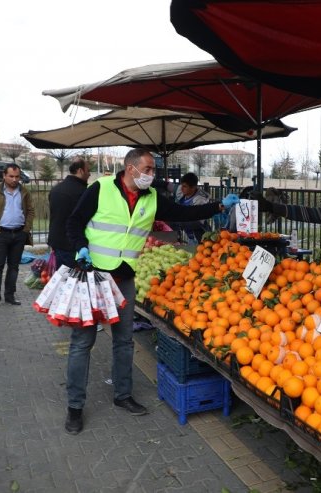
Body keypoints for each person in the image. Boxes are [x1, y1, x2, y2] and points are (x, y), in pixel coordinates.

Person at [63, 148, 238, 434]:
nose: (152, 175)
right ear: (131, 169)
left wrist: (218, 207)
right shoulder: (101, 188)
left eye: (153, 170)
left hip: (125, 280)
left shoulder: (153, 198)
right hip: (94, 278)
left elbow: (183, 212)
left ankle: (123, 395)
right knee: (82, 343)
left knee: (124, 341)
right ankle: (75, 407)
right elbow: (73, 222)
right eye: (148, 169)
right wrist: (79, 246)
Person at [0, 163, 35, 311]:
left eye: (17, 176)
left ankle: (10, 295)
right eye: (11, 176)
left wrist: (26, 229)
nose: (14, 179)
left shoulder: (24, 191)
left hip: (19, 234)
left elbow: (30, 211)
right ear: (4, 176)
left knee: (14, 267)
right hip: (0, 234)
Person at [47, 157, 90, 268]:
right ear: (80, 171)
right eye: (88, 170)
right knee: (75, 281)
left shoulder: (56, 189)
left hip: (56, 242)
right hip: (73, 245)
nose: (89, 174)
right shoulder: (83, 192)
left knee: (62, 279)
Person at [174, 172, 210, 244]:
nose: (181, 188)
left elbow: (198, 223)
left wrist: (178, 221)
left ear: (193, 187)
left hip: (201, 237)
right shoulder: (182, 192)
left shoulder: (200, 200)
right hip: (189, 236)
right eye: (182, 185)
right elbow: (168, 186)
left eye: (185, 186)